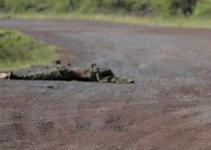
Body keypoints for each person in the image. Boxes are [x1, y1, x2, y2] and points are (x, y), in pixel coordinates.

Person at [0, 63, 134, 83]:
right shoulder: (94, 73)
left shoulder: (93, 75)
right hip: (66, 72)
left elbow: (105, 78)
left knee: (38, 75)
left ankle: (12, 76)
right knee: (39, 74)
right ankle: (11, 75)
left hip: (66, 74)